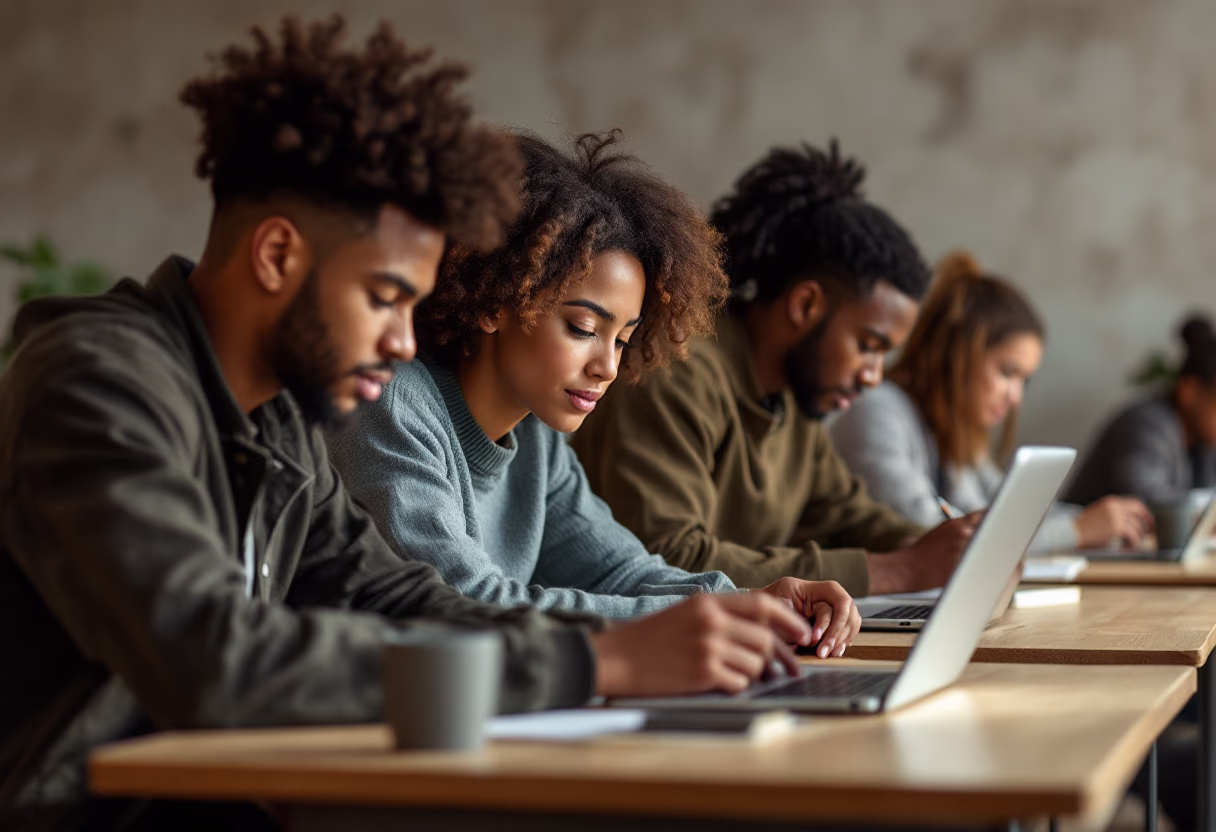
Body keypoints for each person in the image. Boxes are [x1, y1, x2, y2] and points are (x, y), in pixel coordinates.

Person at [0, 19, 829, 831]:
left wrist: (695, 628)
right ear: (278, 255)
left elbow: (394, 596)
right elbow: (216, 657)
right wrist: (602, 659)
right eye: (388, 298)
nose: (406, 341)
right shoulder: (98, 384)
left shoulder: (280, 412)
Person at [328, 129, 861, 636]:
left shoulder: (539, 441)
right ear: (494, 302)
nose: (607, 366)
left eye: (623, 339)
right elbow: (465, 602)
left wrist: (750, 602)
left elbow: (620, 571)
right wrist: (711, 618)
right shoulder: (389, 404)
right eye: (583, 328)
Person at [571, 141, 978, 597]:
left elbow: (847, 516)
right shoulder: (676, 369)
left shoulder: (795, 398)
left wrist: (947, 547)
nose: (873, 376)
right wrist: (900, 571)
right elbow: (666, 558)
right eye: (868, 346)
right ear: (805, 305)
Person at [830, 252, 1152, 552]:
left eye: (1024, 380)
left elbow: (1012, 513)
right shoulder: (876, 411)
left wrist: (1108, 522)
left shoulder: (954, 440)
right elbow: (935, 537)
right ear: (958, 356)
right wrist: (1077, 530)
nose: (1015, 398)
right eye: (1007, 372)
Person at [1067, 314, 1216, 508]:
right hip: (1077, 538)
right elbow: (1150, 501)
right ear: (1190, 391)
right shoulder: (1145, 425)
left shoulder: (1203, 443)